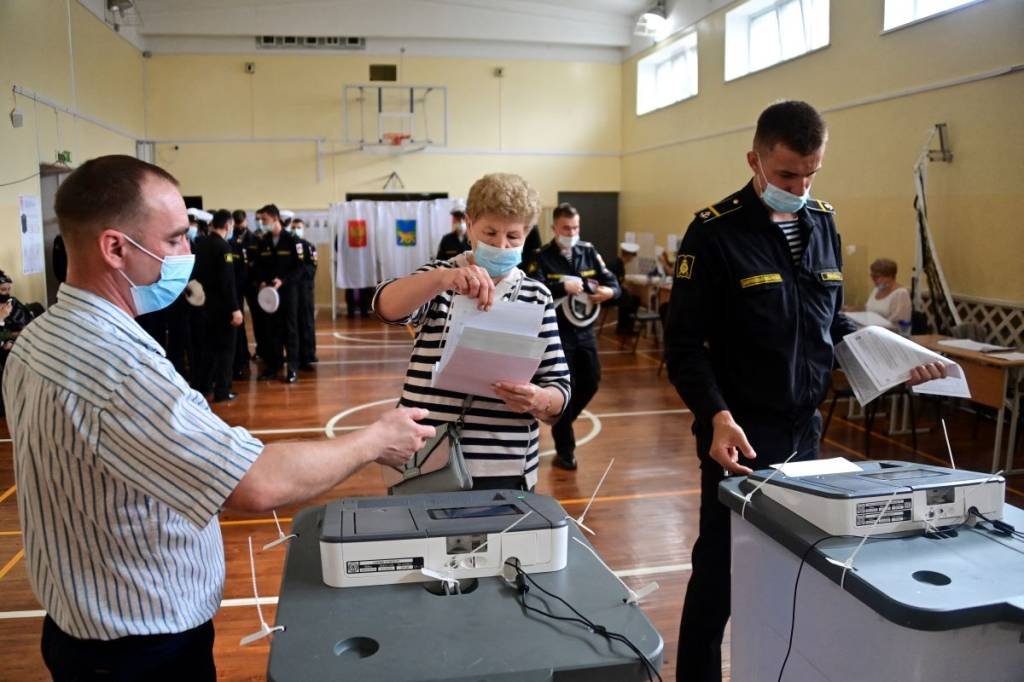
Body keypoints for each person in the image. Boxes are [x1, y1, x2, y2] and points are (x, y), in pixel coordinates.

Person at [1, 154, 434, 680]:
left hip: (82, 618)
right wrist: (375, 439)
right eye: (175, 239)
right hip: (140, 642)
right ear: (115, 247)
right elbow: (254, 484)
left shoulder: (38, 337)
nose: (189, 252)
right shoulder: (118, 364)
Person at [664, 101, 947, 682]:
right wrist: (715, 416)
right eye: (787, 174)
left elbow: (825, 323)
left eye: (811, 173)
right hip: (736, 433)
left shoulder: (822, 222)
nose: (799, 185)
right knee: (719, 571)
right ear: (756, 159)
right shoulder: (713, 232)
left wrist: (895, 357)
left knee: (795, 564)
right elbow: (684, 347)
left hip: (804, 430)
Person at [373, 173, 570, 491]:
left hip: (505, 463)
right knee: (424, 539)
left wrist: (538, 399)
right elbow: (386, 306)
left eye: (514, 237)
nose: (502, 245)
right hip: (426, 458)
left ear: (528, 233)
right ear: (469, 224)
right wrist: (441, 279)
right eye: (490, 233)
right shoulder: (439, 279)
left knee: (502, 542)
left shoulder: (537, 296)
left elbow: (559, 389)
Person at [529, 203, 619, 470]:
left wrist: (609, 293)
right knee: (564, 384)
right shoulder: (541, 255)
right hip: (557, 333)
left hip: (585, 330)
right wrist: (560, 286)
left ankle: (561, 419)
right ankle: (565, 451)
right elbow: (533, 289)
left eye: (576, 227)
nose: (572, 232)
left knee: (591, 381)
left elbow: (613, 283)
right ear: (554, 228)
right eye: (566, 228)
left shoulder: (588, 252)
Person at [194, 209, 243, 402]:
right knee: (225, 350)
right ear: (228, 225)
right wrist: (235, 308)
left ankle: (204, 386)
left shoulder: (202, 244)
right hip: (223, 308)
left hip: (205, 305)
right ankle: (223, 390)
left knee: (208, 349)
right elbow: (227, 282)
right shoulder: (223, 248)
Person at [255, 204, 302, 383]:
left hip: (288, 293)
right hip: (268, 294)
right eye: (260, 220)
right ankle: (273, 366)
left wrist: (283, 280)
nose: (262, 223)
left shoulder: (292, 240)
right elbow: (258, 265)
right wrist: (260, 281)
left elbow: (300, 267)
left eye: (264, 220)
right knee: (271, 330)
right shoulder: (264, 241)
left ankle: (292, 368)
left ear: (275, 219)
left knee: (290, 329)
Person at [0, 270, 36, 417]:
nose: (6, 293)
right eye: (3, 290)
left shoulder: (13, 303)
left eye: (8, 289)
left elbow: (27, 324)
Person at [229, 209, 255, 377]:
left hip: (252, 283)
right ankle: (242, 354)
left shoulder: (254, 239)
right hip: (237, 284)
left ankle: (260, 351)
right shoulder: (230, 241)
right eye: (236, 224)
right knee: (239, 321)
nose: (239, 226)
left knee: (259, 319)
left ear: (246, 220)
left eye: (241, 223)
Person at [291, 218, 319, 368]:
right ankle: (296, 356)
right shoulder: (290, 246)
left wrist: (300, 276)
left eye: (299, 227)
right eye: (294, 227)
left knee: (307, 322)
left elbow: (312, 267)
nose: (296, 230)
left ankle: (309, 354)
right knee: (294, 324)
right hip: (292, 291)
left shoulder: (309, 247)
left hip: (306, 290)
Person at [865, 257, 912, 326]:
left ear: (890, 276)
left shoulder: (901, 293)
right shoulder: (877, 289)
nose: (873, 279)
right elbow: (869, 310)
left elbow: (899, 323)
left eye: (877, 276)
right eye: (872, 276)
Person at [606, 241, 641, 336]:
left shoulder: (619, 264)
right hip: (609, 295)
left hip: (612, 293)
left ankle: (624, 327)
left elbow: (618, 282)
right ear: (629, 256)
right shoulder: (616, 265)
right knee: (630, 299)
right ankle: (625, 328)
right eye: (632, 256)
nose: (632, 259)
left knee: (632, 299)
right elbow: (613, 284)